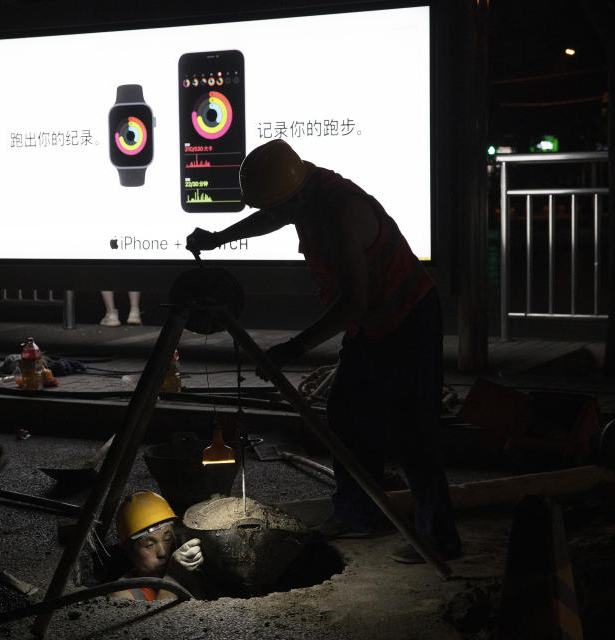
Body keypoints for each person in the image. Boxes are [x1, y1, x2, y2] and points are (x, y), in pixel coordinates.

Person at [185, 139, 461, 564]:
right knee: (346, 416)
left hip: (409, 320)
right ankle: (359, 516)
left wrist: (293, 347)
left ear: (293, 197)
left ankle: (440, 538)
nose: (275, 217)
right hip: (371, 323)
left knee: (413, 433)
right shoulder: (302, 197)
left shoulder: (341, 211)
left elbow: (354, 302)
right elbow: (270, 219)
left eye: (278, 208)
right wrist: (220, 238)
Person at [107, 490, 204, 600]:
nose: (162, 552)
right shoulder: (121, 596)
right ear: (129, 551)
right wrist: (173, 578)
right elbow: (164, 617)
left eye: (167, 539)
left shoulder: (190, 575)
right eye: (149, 545)